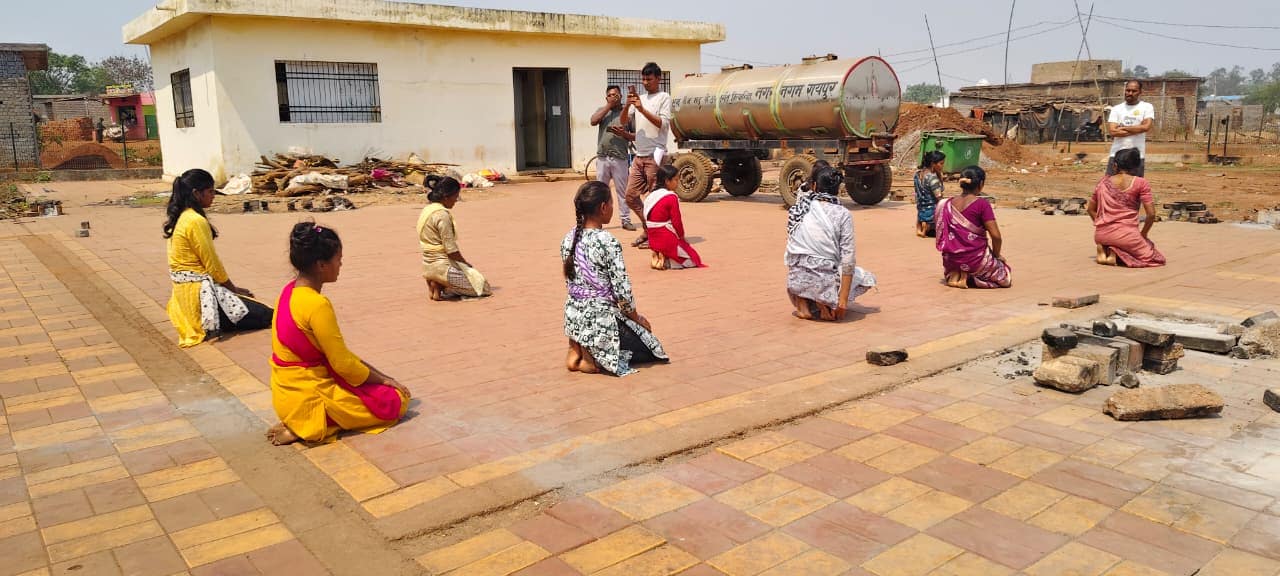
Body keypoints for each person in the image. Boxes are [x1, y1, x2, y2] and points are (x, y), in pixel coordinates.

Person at [267, 222, 412, 445]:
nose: (341, 264)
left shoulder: (289, 291)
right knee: (396, 401)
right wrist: (384, 380)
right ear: (321, 265)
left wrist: (381, 375)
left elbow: (337, 355)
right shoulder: (317, 304)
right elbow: (342, 364)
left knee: (378, 386)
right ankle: (309, 424)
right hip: (309, 396)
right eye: (338, 259)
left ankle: (297, 419)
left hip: (285, 393)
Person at [562, 181, 668, 376]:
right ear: (603, 207)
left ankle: (576, 346)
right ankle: (590, 358)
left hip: (574, 316)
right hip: (599, 318)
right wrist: (638, 319)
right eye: (612, 203)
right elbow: (622, 293)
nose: (613, 207)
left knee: (590, 308)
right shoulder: (608, 242)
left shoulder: (569, 238)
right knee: (651, 346)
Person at [163, 168, 272, 347]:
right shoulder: (195, 221)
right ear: (196, 193)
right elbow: (212, 263)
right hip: (199, 294)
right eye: (210, 191)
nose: (213, 196)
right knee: (266, 315)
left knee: (249, 306)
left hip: (185, 295)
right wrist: (233, 288)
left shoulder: (183, 217)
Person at [785, 167, 876, 321]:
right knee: (865, 277)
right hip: (825, 281)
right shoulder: (843, 214)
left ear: (814, 186)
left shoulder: (799, 209)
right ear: (838, 189)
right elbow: (848, 259)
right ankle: (825, 301)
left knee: (800, 259)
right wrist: (843, 301)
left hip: (795, 281)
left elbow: (792, 245)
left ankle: (803, 305)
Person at [621, 62, 672, 249]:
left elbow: (663, 125)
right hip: (638, 155)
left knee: (654, 199)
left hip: (655, 155)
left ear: (658, 79)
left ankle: (656, 235)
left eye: (649, 79)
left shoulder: (664, 97)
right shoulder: (639, 98)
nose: (645, 82)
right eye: (643, 79)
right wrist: (628, 106)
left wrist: (642, 109)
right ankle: (649, 229)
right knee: (630, 196)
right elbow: (623, 121)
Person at [416, 175, 491, 300]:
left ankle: (437, 284)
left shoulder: (427, 210)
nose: (456, 200)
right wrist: (466, 264)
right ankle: (442, 285)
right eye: (455, 197)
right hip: (443, 266)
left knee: (473, 280)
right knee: (483, 288)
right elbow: (451, 250)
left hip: (427, 264)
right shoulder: (442, 215)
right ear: (446, 197)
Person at [935, 166, 1011, 289]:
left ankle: (958, 274)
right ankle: (970, 276)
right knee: (1005, 274)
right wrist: (997, 255)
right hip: (975, 261)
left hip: (951, 261)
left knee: (961, 262)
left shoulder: (946, 203)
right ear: (981, 184)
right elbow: (996, 236)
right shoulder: (982, 204)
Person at [1088, 147, 1165, 267]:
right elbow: (1151, 214)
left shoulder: (1103, 182)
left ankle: (1107, 250)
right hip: (1127, 236)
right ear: (1136, 167)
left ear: (1115, 166)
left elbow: (1090, 209)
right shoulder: (1141, 183)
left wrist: (1101, 223)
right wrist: (1143, 234)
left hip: (1101, 235)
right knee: (1156, 258)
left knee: (1120, 242)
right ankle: (1116, 253)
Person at [591, 85, 637, 231]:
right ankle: (597, 221)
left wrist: (624, 135)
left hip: (620, 158)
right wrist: (608, 106)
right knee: (600, 192)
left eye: (616, 95)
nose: (613, 97)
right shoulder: (602, 111)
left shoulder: (628, 114)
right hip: (603, 157)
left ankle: (625, 220)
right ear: (606, 97)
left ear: (621, 97)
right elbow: (593, 121)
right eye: (610, 95)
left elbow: (636, 135)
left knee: (622, 192)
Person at [643, 164, 705, 270]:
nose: (677, 183)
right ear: (667, 181)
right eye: (676, 180)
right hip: (665, 236)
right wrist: (681, 237)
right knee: (693, 260)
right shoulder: (671, 197)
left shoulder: (651, 196)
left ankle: (660, 255)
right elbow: (677, 222)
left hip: (652, 238)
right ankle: (667, 262)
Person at [1106, 80, 1154, 177]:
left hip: (1136, 155)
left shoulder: (1147, 107)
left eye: (1134, 91)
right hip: (1116, 154)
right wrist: (1138, 129)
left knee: (1135, 186)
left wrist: (1123, 127)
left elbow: (1146, 127)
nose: (1130, 93)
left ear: (1140, 92)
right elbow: (1113, 131)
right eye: (1128, 90)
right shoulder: (1116, 109)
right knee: (1110, 186)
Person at [914, 151, 946, 238]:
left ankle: (921, 225)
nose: (942, 166)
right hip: (931, 210)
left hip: (921, 208)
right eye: (941, 163)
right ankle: (928, 227)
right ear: (933, 164)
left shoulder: (918, 174)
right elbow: (939, 197)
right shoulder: (932, 178)